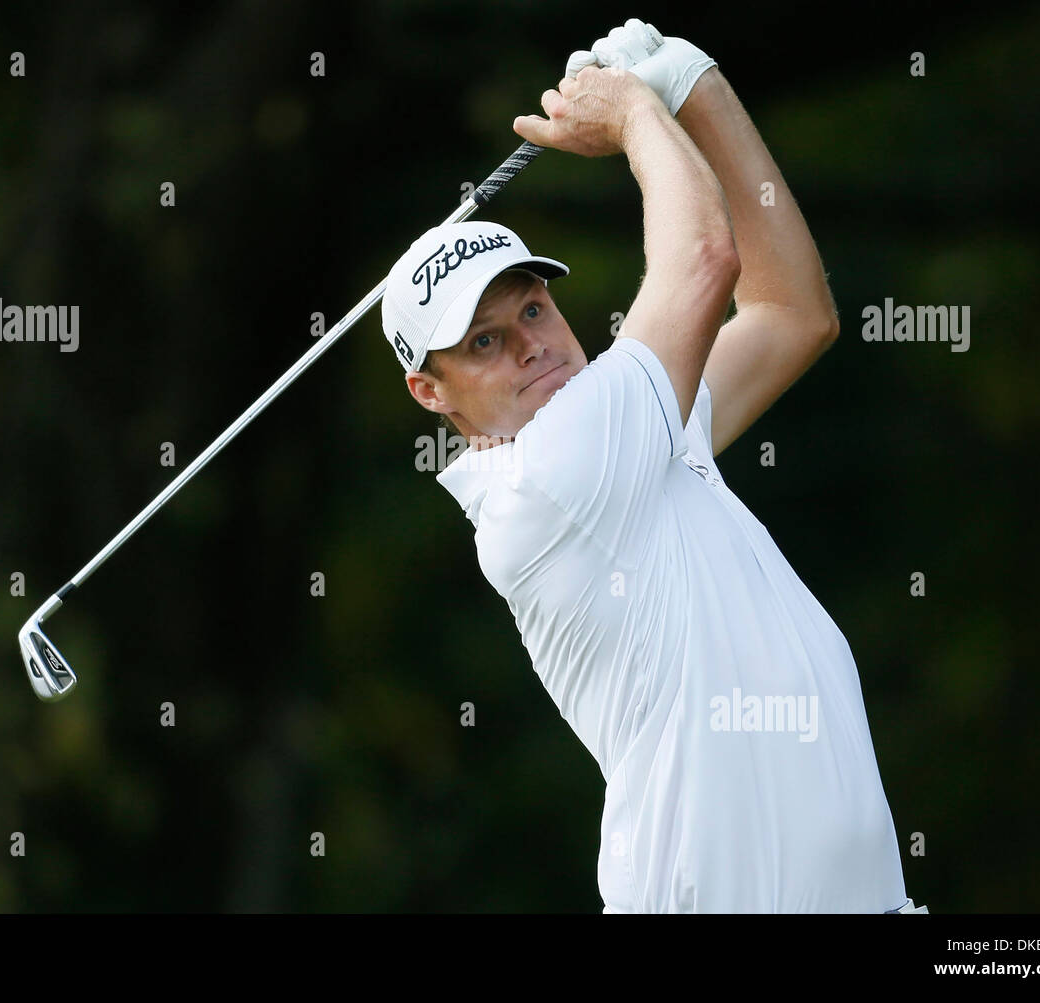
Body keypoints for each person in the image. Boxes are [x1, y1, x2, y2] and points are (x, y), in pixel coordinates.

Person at [380, 20, 925, 914]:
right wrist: (637, 114)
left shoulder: (636, 435)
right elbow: (705, 260)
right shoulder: (547, 480)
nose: (531, 347)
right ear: (430, 393)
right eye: (483, 341)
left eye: (534, 310)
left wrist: (695, 87)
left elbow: (792, 310)